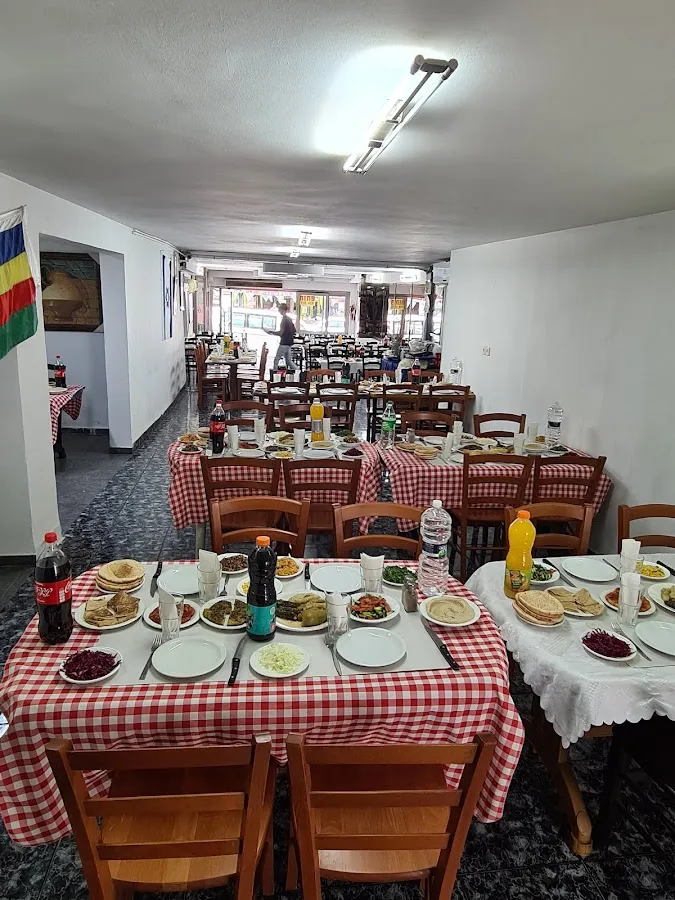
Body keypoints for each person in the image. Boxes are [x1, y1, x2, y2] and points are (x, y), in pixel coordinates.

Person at [265, 303, 297, 371]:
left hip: (284, 343)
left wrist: (271, 332)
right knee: (289, 361)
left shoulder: (284, 320)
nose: (279, 311)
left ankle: (274, 374)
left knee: (276, 360)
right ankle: (299, 372)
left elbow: (281, 333)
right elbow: (294, 330)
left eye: (279, 309)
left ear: (282, 310)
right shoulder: (289, 319)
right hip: (289, 343)